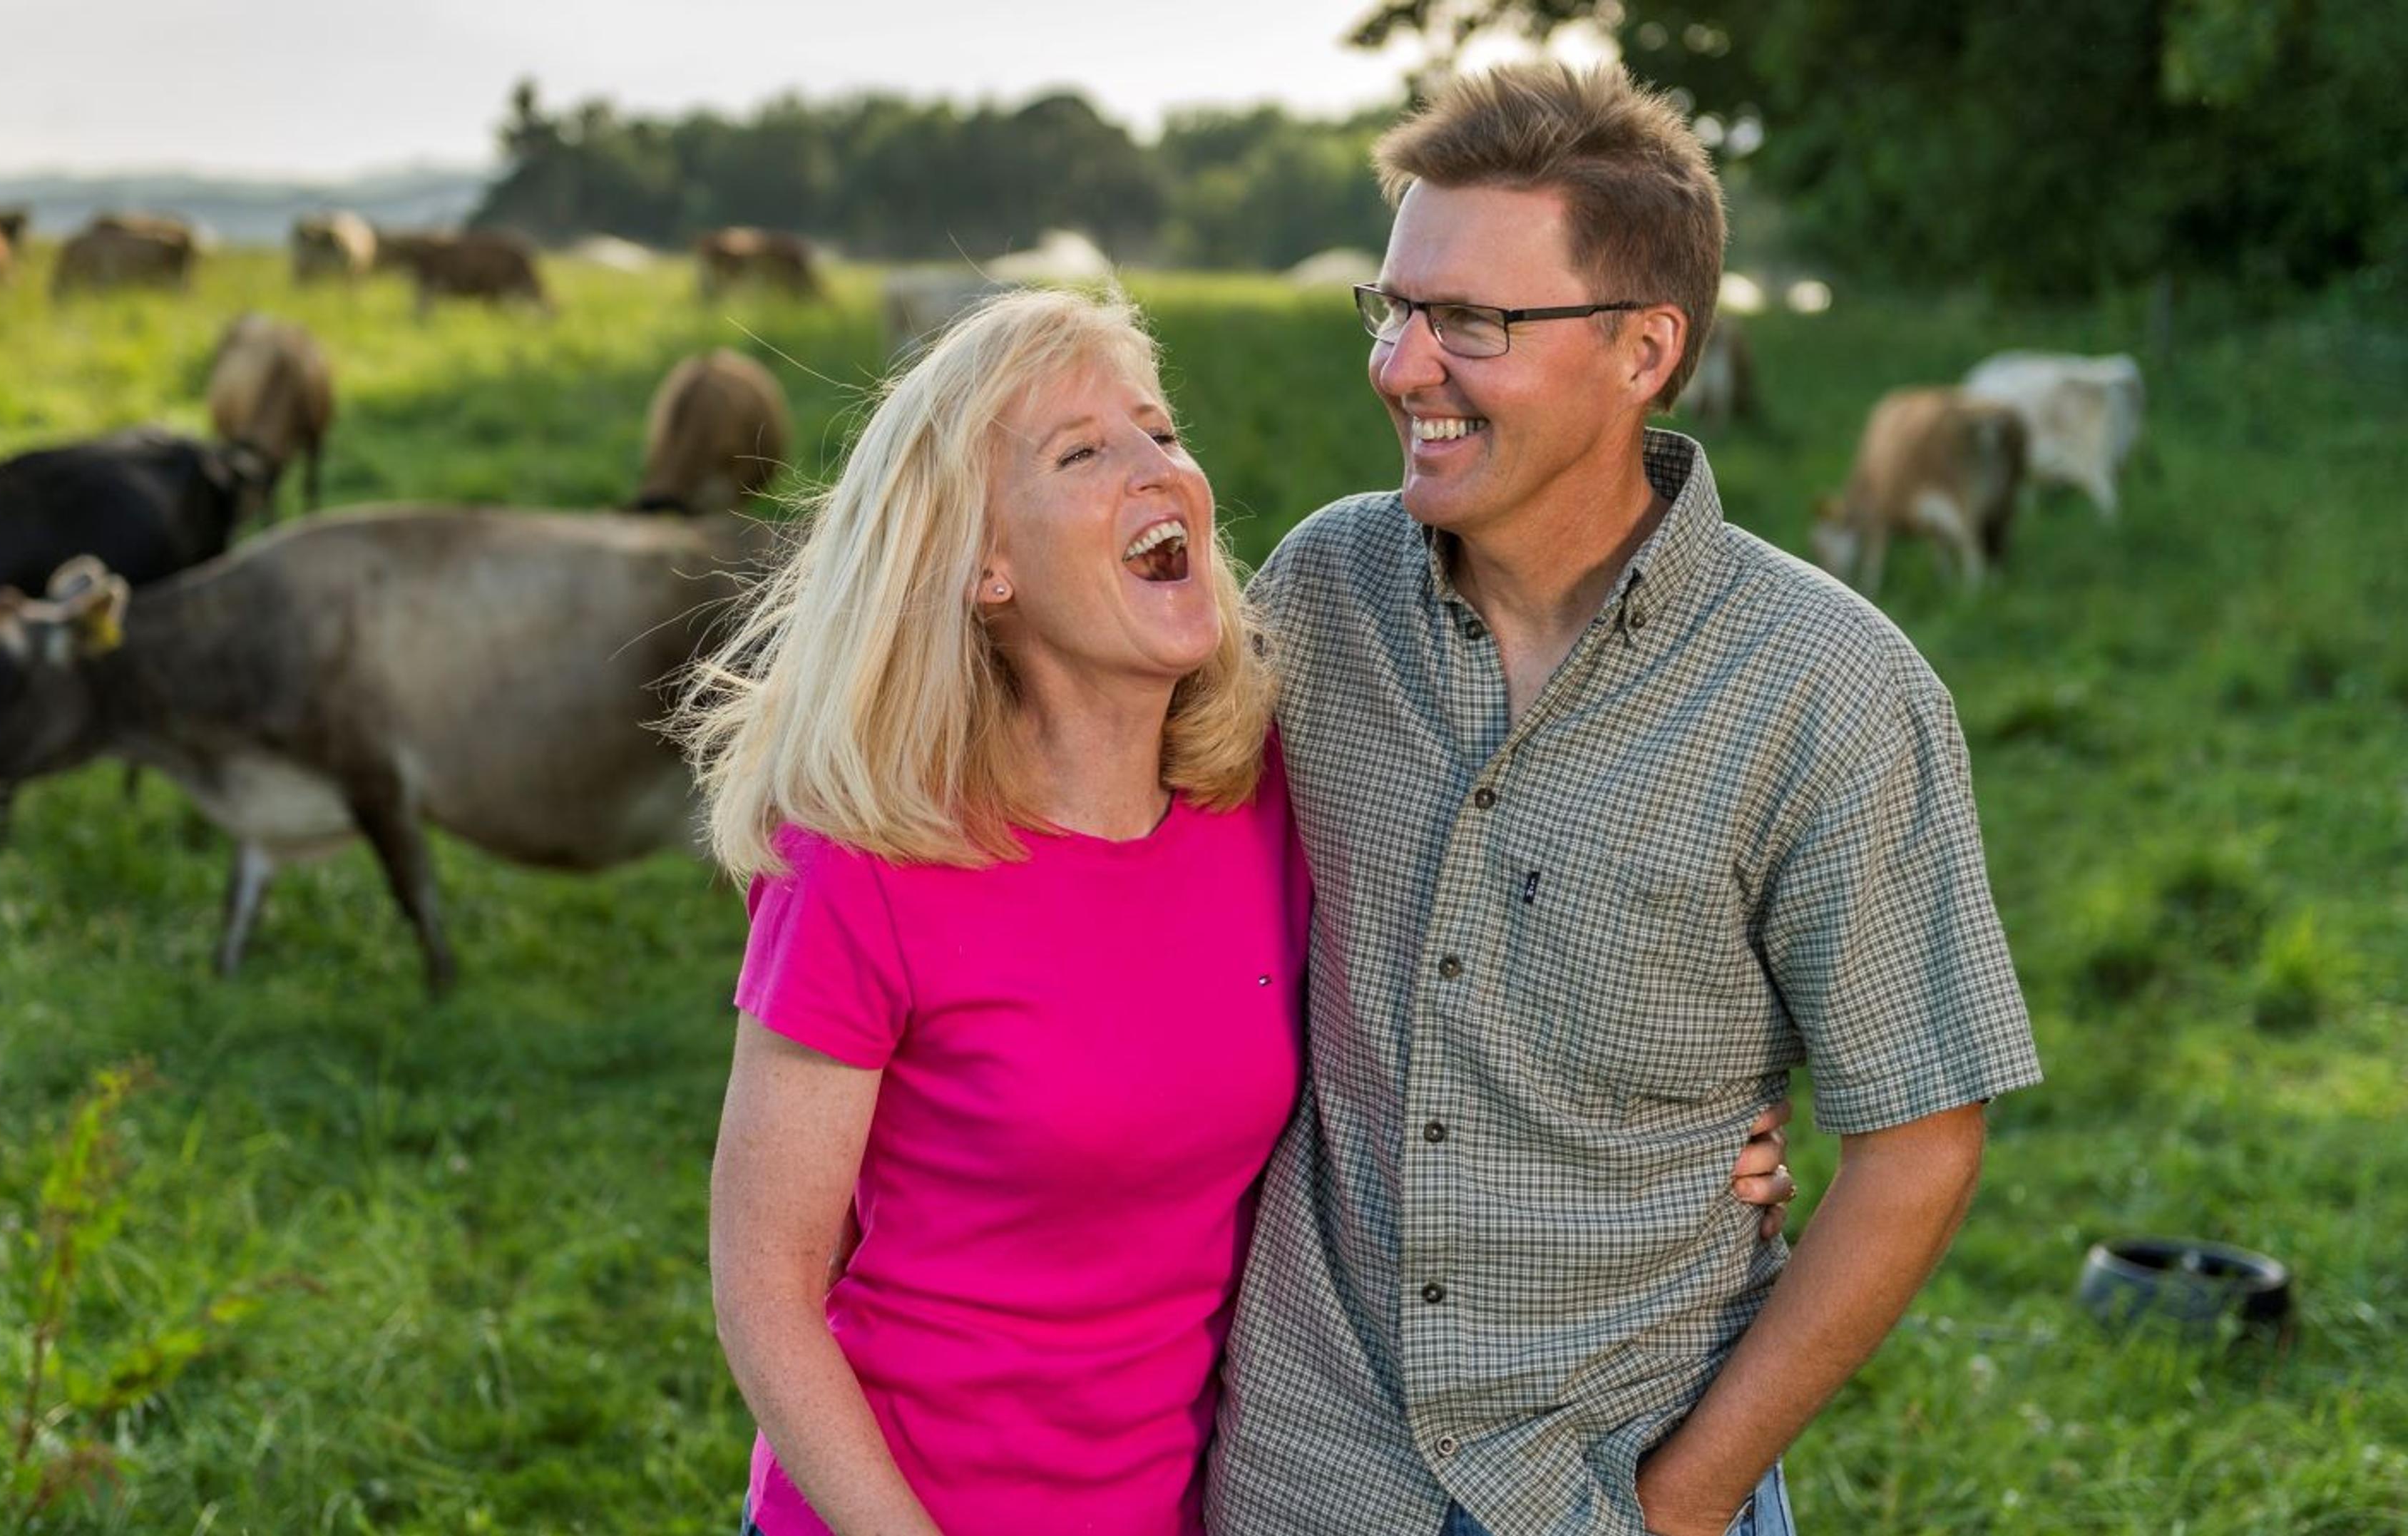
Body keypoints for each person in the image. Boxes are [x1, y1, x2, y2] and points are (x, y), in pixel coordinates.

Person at [683, 288, 1795, 1536]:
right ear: (984, 565)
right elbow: (766, 1287)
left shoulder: (1268, 797)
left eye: (1160, 430)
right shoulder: (866, 860)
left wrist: (1692, 1135)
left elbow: (1469, 987)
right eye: (1082, 452)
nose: (1159, 468)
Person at [1204, 63, 2045, 1536]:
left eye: (1470, 322)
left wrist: (1688, 1500)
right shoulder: (1320, 595)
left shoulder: (1832, 689)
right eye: (1393, 308)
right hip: (1305, 1465)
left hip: (1608, 1478)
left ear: (1645, 348)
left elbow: (1919, 1141)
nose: (1402, 365)